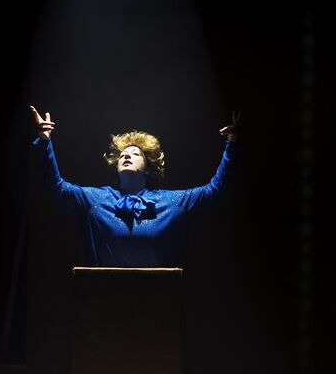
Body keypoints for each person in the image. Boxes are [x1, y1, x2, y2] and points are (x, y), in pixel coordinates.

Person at [30, 106, 241, 267]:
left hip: (156, 298)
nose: (126, 156)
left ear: (148, 168)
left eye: (135, 154)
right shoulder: (96, 198)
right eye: (122, 155)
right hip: (103, 297)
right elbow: (56, 187)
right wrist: (44, 142)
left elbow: (214, 190)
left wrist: (232, 144)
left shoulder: (171, 201)